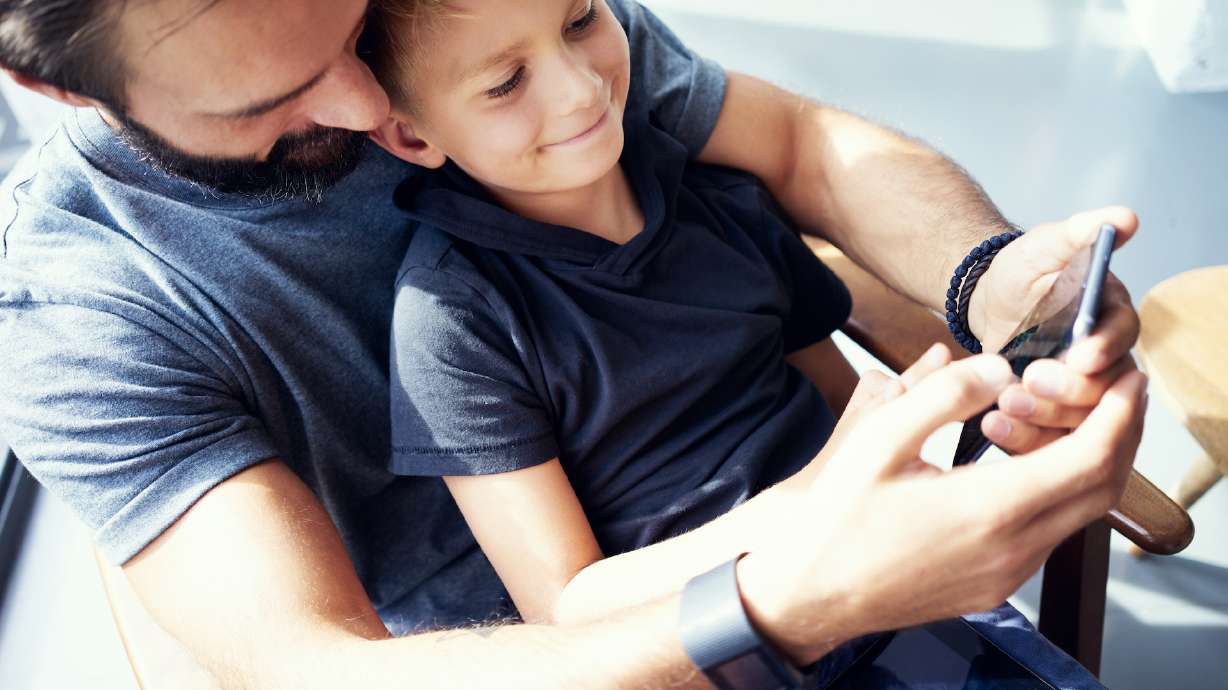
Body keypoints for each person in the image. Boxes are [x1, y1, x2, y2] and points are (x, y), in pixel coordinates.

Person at [0, 1, 1145, 688]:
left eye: (350, 19)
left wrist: (996, 281)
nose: (365, 105)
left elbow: (789, 145)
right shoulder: (75, 313)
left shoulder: (499, 29)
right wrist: (775, 591)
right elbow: (321, 670)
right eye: (277, 98)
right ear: (49, 86)